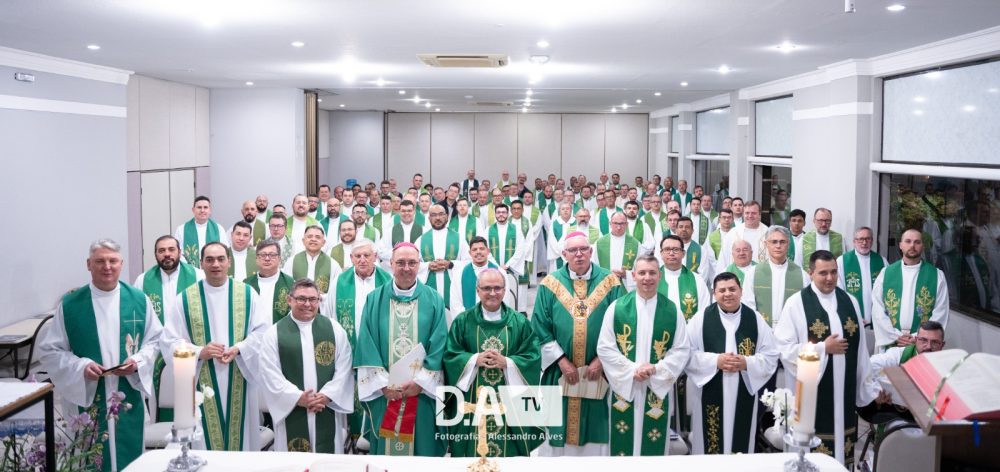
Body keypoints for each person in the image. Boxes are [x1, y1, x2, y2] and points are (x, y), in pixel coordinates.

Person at [39, 239, 163, 471]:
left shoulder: (138, 300)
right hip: (88, 394)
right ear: (89, 264)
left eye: (113, 261)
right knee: (91, 457)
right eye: (100, 261)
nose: (107, 266)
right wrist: (81, 367)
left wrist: (137, 361)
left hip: (127, 392)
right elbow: (50, 350)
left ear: (121, 264)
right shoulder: (71, 304)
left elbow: (156, 340)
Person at [774, 250, 877, 467]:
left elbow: (860, 353)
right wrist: (823, 348)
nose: (830, 278)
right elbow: (784, 348)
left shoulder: (849, 301)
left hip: (845, 393)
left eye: (834, 272)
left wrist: (869, 388)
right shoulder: (796, 304)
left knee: (842, 448)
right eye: (823, 273)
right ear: (810, 273)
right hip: (813, 395)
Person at [162, 242, 268, 451]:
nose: (216, 264)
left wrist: (240, 348)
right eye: (209, 260)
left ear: (229, 261)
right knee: (204, 442)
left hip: (240, 373)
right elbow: (169, 341)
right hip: (201, 376)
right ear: (201, 263)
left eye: (221, 259)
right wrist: (199, 352)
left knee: (242, 442)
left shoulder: (248, 294)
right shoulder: (185, 299)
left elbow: (263, 332)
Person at [531, 232, 626, 456]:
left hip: (599, 372)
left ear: (591, 251)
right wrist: (561, 361)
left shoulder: (611, 282)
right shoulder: (550, 284)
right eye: (573, 250)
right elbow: (539, 327)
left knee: (598, 428)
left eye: (583, 249)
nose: (579, 254)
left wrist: (601, 360)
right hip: (560, 371)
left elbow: (623, 324)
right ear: (564, 254)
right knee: (557, 427)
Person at [353, 242, 448, 456]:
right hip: (385, 394)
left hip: (421, 394)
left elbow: (439, 344)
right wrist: (383, 385)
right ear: (391, 264)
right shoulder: (374, 299)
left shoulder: (434, 299)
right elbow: (366, 344)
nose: (406, 268)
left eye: (412, 263)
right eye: (401, 263)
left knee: (422, 448)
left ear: (419, 265)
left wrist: (421, 383)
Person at [596, 255, 690, 456]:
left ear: (659, 276)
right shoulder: (617, 308)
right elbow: (605, 347)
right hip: (625, 386)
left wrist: (656, 369)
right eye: (642, 273)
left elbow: (681, 349)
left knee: (653, 443)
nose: (647, 277)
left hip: (656, 385)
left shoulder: (672, 310)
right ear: (633, 276)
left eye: (652, 273)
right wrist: (632, 370)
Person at [444, 268, 543, 457]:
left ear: (505, 291)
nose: (492, 293)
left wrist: (508, 363)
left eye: (497, 288)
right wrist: (474, 360)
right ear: (477, 290)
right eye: (486, 288)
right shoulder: (463, 321)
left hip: (509, 404)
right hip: (472, 402)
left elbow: (532, 357)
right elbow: (451, 355)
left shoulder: (520, 322)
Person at [685, 272, 779, 454]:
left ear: (741, 291)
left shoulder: (755, 319)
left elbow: (771, 355)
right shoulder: (701, 319)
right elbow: (686, 354)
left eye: (732, 289)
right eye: (722, 290)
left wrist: (747, 363)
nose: (727, 294)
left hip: (744, 392)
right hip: (709, 394)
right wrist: (715, 361)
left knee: (740, 446)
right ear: (714, 294)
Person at [257, 279, 354, 453]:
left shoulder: (334, 329)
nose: (307, 304)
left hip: (326, 407)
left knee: (326, 461)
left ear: (319, 301)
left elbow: (344, 367)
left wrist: (327, 395)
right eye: (301, 299)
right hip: (292, 409)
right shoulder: (274, 334)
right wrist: (298, 398)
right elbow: (269, 373)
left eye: (313, 299)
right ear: (289, 300)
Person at [133, 235, 205, 421]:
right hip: (156, 347)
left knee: (191, 398)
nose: (167, 254)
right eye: (161, 250)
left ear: (179, 252)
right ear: (155, 254)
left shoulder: (198, 276)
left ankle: (192, 429)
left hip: (188, 345)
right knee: (158, 396)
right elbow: (138, 315)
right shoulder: (143, 280)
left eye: (171, 249)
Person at [871, 229, 949, 351]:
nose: (912, 245)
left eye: (917, 242)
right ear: (900, 245)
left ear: (923, 246)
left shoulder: (937, 276)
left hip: (922, 343)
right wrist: (894, 336)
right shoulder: (886, 273)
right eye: (908, 241)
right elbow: (877, 309)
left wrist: (918, 337)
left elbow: (941, 311)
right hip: (891, 341)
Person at [741, 226, 808, 327]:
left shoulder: (802, 275)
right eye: (774, 242)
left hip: (791, 332)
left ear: (788, 244)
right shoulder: (753, 273)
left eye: (782, 242)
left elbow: (804, 308)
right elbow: (748, 305)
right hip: (761, 330)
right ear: (766, 244)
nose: (778, 246)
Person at [868, 320, 945, 409]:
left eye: (935, 342)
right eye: (923, 340)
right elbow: (869, 366)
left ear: (942, 345)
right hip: (896, 411)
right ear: (916, 340)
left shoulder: (949, 365)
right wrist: (875, 392)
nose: (928, 346)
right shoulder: (899, 354)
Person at [419, 204, 471, 311]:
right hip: (429, 287)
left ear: (447, 217)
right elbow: (414, 265)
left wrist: (451, 264)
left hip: (452, 287)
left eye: (441, 214)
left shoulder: (459, 238)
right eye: (434, 215)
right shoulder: (421, 240)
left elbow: (469, 261)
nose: (438, 218)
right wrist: (428, 265)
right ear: (429, 218)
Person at [837, 227, 888, 326]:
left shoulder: (882, 261)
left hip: (877, 320)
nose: (864, 243)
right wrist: (849, 313)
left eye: (868, 239)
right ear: (854, 241)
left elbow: (887, 289)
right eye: (860, 239)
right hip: (851, 317)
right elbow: (839, 291)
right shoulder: (842, 261)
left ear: (872, 241)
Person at [658, 235, 711, 322]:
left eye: (676, 249)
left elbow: (704, 311)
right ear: (661, 253)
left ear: (683, 253)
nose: (671, 253)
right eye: (667, 249)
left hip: (689, 329)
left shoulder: (697, 280)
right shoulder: (652, 280)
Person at [246, 240, 295, 324]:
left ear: (279, 259)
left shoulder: (291, 284)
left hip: (280, 331)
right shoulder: (247, 284)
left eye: (272, 255)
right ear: (256, 259)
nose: (267, 259)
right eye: (263, 255)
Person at [282, 225, 340, 295]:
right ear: (303, 241)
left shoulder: (333, 265)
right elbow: (285, 287)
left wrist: (322, 296)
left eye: (317, 237)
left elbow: (336, 291)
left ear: (323, 242)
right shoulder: (291, 262)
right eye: (309, 236)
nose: (313, 239)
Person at [175, 196, 229, 268]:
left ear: (210, 210)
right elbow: (177, 252)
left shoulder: (219, 229)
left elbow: (225, 251)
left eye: (205, 207)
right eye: (199, 207)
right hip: (190, 270)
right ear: (193, 210)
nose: (202, 210)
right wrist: (189, 268)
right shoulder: (181, 229)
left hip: (213, 269)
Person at [592, 212, 641, 291]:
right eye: (615, 223)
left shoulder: (635, 244)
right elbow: (593, 266)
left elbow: (640, 269)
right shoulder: (599, 243)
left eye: (622, 223)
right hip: (605, 286)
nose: (618, 227)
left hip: (626, 287)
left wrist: (626, 274)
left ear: (627, 224)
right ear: (610, 223)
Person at [720, 201, 768, 268]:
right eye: (747, 213)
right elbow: (723, 258)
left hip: (760, 272)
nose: (750, 216)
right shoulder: (733, 233)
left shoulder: (768, 233)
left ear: (759, 214)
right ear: (743, 214)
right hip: (736, 273)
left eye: (753, 213)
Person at [677, 216, 717, 285]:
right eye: (681, 227)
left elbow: (703, 274)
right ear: (676, 230)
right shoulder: (670, 248)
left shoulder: (701, 250)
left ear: (692, 231)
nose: (684, 229)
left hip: (693, 288)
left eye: (687, 227)